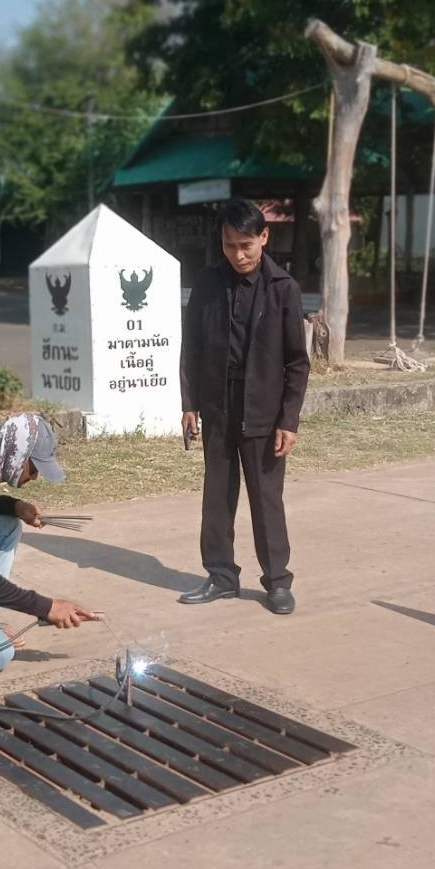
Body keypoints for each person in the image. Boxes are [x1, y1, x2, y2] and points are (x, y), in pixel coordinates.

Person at [179, 197, 310, 615]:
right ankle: (221, 576)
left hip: (264, 411)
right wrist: (189, 404)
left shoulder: (283, 289)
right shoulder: (208, 283)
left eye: (246, 245)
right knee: (217, 496)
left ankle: (277, 581)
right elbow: (192, 347)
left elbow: (297, 362)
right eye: (230, 245)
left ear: (264, 238)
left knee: (266, 498)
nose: (238, 255)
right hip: (217, 405)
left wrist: (288, 420)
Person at [0, 413, 95, 673]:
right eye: (34, 468)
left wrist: (14, 506)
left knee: (6, 524)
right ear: (19, 455)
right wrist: (47, 607)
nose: (34, 478)